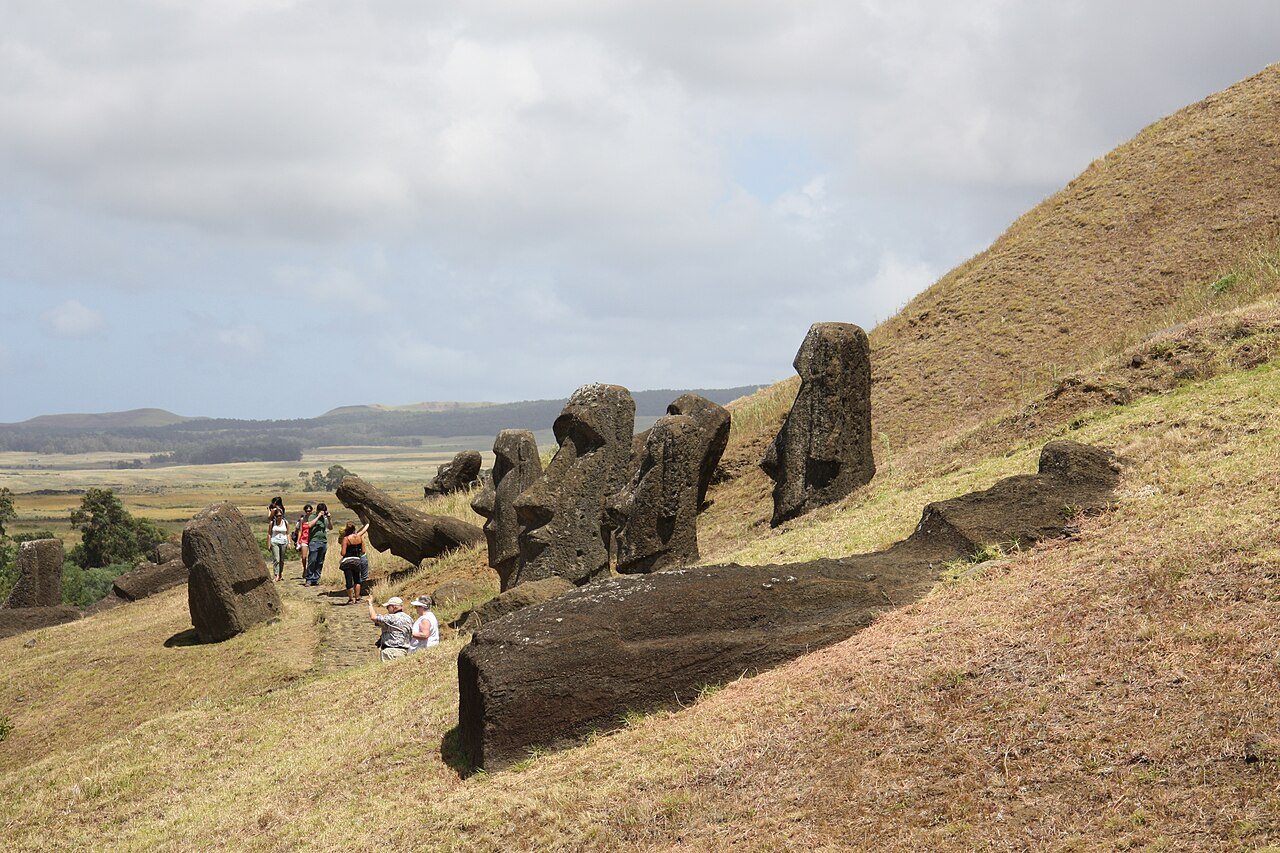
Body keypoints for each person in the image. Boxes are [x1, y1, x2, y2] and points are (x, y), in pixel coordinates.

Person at [368, 595, 412, 661]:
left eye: (388, 607)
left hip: (391, 651)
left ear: (394, 607)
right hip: (404, 651)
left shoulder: (392, 618)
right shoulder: (409, 618)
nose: (387, 609)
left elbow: (373, 617)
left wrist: (370, 604)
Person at [338, 521, 370, 604]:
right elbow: (363, 551)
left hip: (347, 561)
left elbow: (343, 553)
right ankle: (357, 597)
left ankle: (350, 599)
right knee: (357, 579)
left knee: (349, 580)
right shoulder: (360, 538)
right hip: (357, 560)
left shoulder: (346, 539)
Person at [306, 502, 331, 586]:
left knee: (320, 561)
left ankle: (316, 578)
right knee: (312, 560)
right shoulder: (312, 516)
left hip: (323, 542)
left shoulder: (325, 519)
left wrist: (329, 518)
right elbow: (309, 525)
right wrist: (318, 517)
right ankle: (309, 578)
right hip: (314, 541)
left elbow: (330, 527)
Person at [267, 507, 290, 582]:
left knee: (282, 560)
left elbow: (288, 533)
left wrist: (289, 542)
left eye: (280, 515)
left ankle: (280, 574)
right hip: (275, 542)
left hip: (283, 542)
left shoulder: (285, 523)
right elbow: (269, 534)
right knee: (276, 559)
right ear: (275, 516)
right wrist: (269, 544)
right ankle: (276, 575)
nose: (279, 517)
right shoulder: (272, 523)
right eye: (277, 516)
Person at [295, 504, 313, 581]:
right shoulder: (303, 519)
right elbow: (300, 530)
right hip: (304, 539)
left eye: (309, 511)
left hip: (312, 539)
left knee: (312, 557)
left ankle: (310, 571)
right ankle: (304, 569)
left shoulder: (314, 518)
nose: (308, 512)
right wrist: (298, 541)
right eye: (306, 511)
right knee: (304, 556)